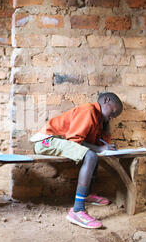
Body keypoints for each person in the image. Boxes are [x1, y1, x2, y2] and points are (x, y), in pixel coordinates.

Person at [30, 92, 123, 229]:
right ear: (106, 100)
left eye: (114, 117)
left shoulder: (98, 120)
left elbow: (99, 144)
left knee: (94, 154)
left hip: (59, 141)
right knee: (91, 155)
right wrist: (99, 148)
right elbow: (75, 140)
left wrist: (106, 127)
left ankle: (86, 194)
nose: (112, 117)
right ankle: (77, 210)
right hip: (46, 141)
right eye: (113, 112)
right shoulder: (88, 110)